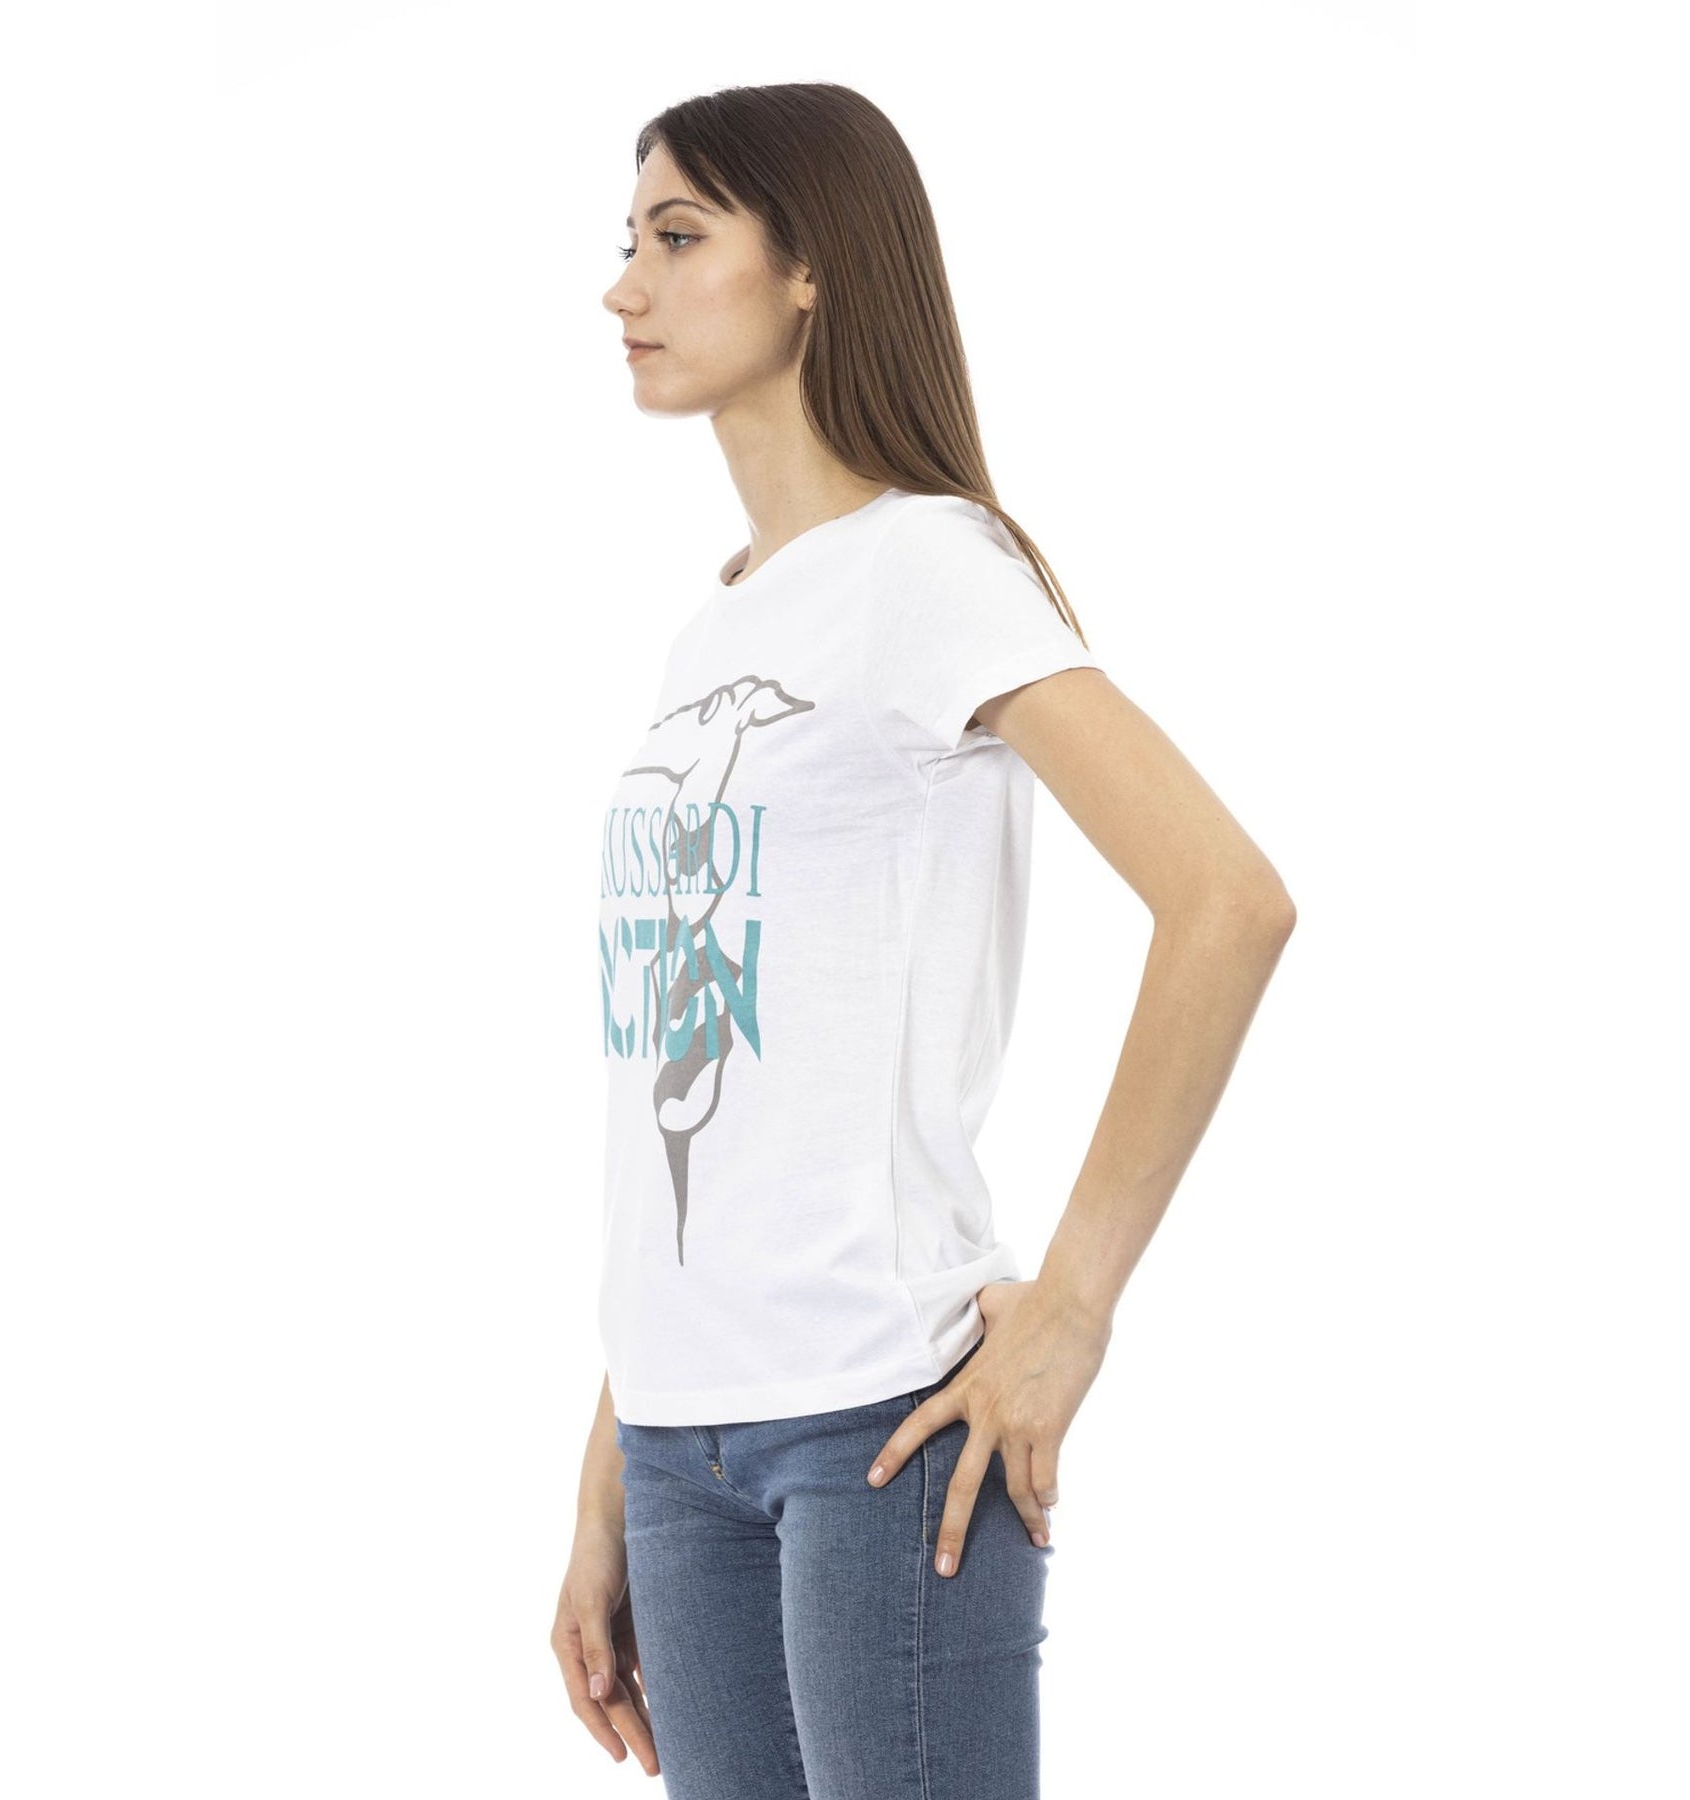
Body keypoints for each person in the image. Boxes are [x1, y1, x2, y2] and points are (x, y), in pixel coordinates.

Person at [552, 82, 1296, 1797]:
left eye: (678, 237)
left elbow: (1227, 899)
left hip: (880, 1425)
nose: (623, 287)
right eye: (628, 240)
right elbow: (694, 1091)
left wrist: (1073, 1308)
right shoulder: (715, 630)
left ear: (810, 267)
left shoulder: (929, 568)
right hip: (678, 1450)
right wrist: (607, 1471)